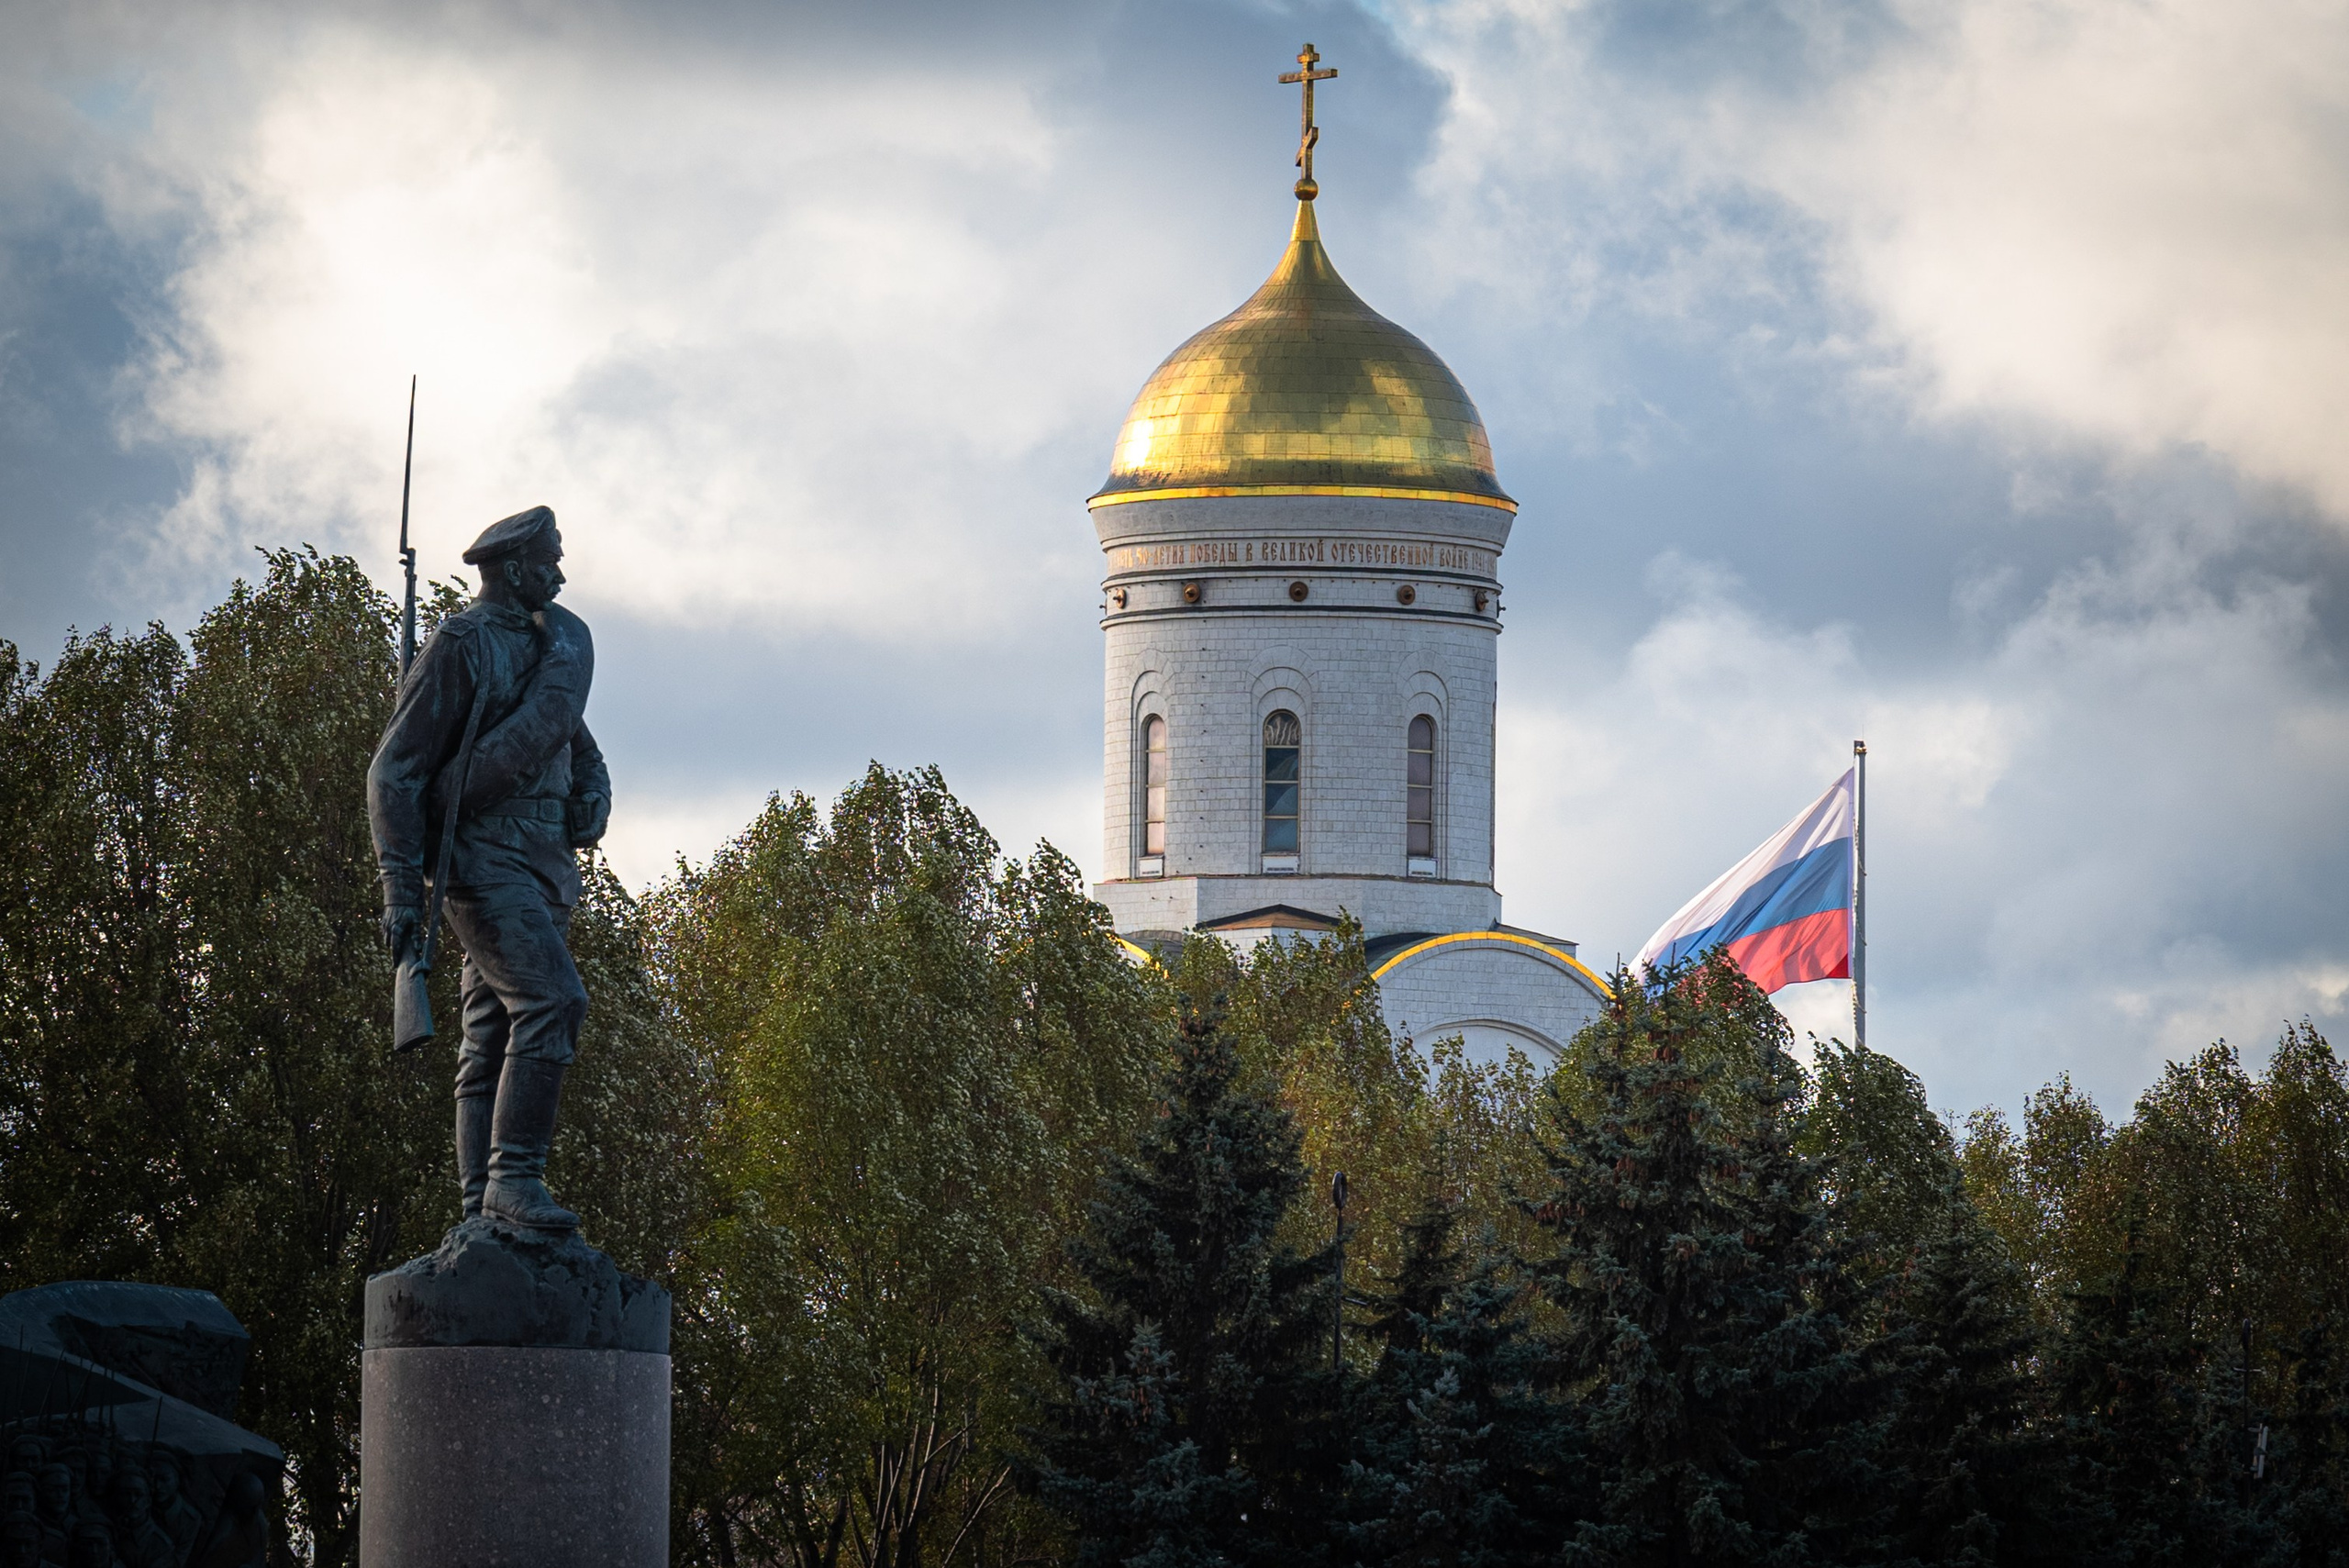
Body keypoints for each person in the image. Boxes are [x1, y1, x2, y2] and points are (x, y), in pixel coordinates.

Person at [139, 1457, 196, 1568]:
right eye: (152, 1479)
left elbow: (177, 1561)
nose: (157, 1486)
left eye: (164, 1479)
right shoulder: (140, 1507)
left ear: (177, 1479)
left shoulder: (190, 1519)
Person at [102, 1474, 166, 1568]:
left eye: (138, 1494)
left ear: (148, 1500)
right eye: (126, 1494)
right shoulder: (110, 1530)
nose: (132, 1500)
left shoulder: (160, 1545)